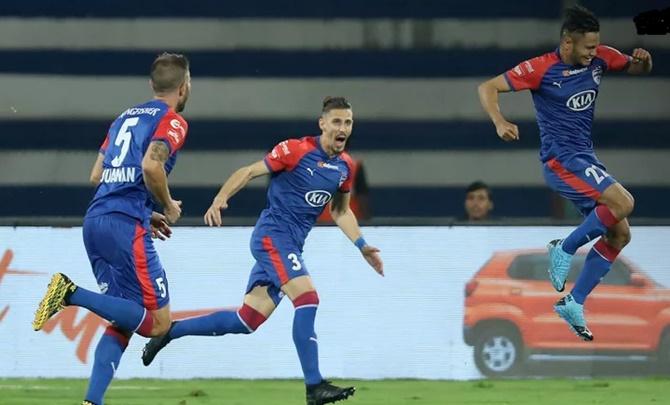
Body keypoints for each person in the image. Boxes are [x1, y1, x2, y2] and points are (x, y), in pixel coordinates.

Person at [141, 96, 384, 405]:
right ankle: (314, 386)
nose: (343, 128)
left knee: (247, 320)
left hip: (290, 245)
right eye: (337, 121)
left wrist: (362, 246)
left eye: (348, 122)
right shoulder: (295, 150)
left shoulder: (344, 167)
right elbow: (248, 171)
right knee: (308, 298)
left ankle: (169, 332)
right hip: (272, 238)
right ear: (322, 123)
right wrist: (220, 199)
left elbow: (340, 212)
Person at [478, 5, 652, 341]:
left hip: (586, 159)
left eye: (595, 46)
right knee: (624, 202)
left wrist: (644, 63)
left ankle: (574, 301)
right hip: (562, 162)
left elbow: (634, 68)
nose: (592, 52)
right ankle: (565, 248)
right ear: (567, 43)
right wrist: (499, 121)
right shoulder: (540, 68)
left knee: (619, 235)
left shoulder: (601, 57)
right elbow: (487, 87)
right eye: (587, 47)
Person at [32, 52, 191, 405]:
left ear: (152, 85)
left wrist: (144, 211)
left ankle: (93, 401)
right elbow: (152, 166)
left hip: (96, 220)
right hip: (123, 228)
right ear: (184, 87)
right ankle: (70, 293)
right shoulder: (172, 121)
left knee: (123, 318)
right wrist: (166, 205)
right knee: (159, 324)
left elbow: (96, 175)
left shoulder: (123, 118)